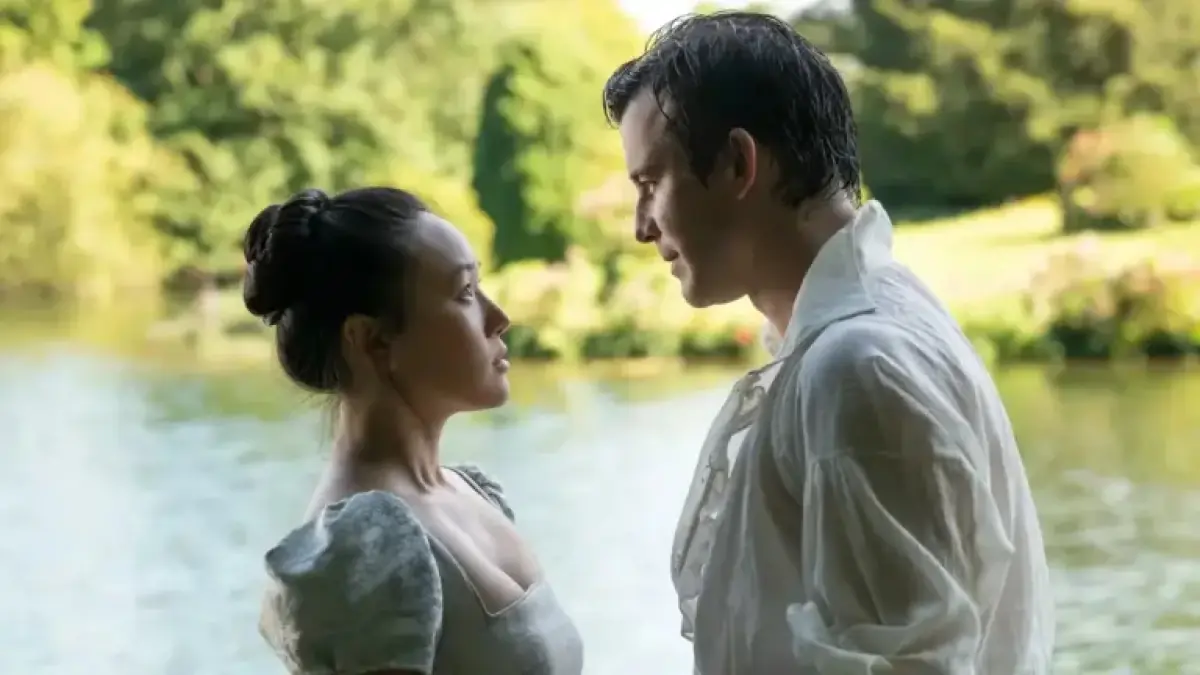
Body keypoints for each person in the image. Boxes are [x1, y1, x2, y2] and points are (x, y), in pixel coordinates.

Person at [602, 12, 1054, 674]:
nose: (642, 227)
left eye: (651, 183)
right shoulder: (866, 328)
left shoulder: (858, 367)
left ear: (737, 163)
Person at [246, 187, 584, 675]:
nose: (498, 318)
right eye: (464, 293)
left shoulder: (469, 493)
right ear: (373, 341)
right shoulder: (365, 548)